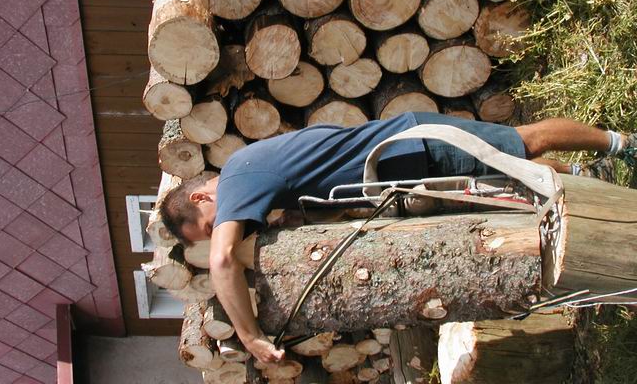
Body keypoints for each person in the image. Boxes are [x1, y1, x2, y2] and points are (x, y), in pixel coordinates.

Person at [160, 112, 635, 363]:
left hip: (416, 146)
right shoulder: (252, 175)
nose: (222, 229)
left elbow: (223, 260)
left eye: (209, 225)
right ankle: (587, 180)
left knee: (523, 142)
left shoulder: (237, 178)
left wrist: (249, 336)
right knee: (514, 176)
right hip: (407, 162)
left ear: (202, 197)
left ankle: (623, 144)